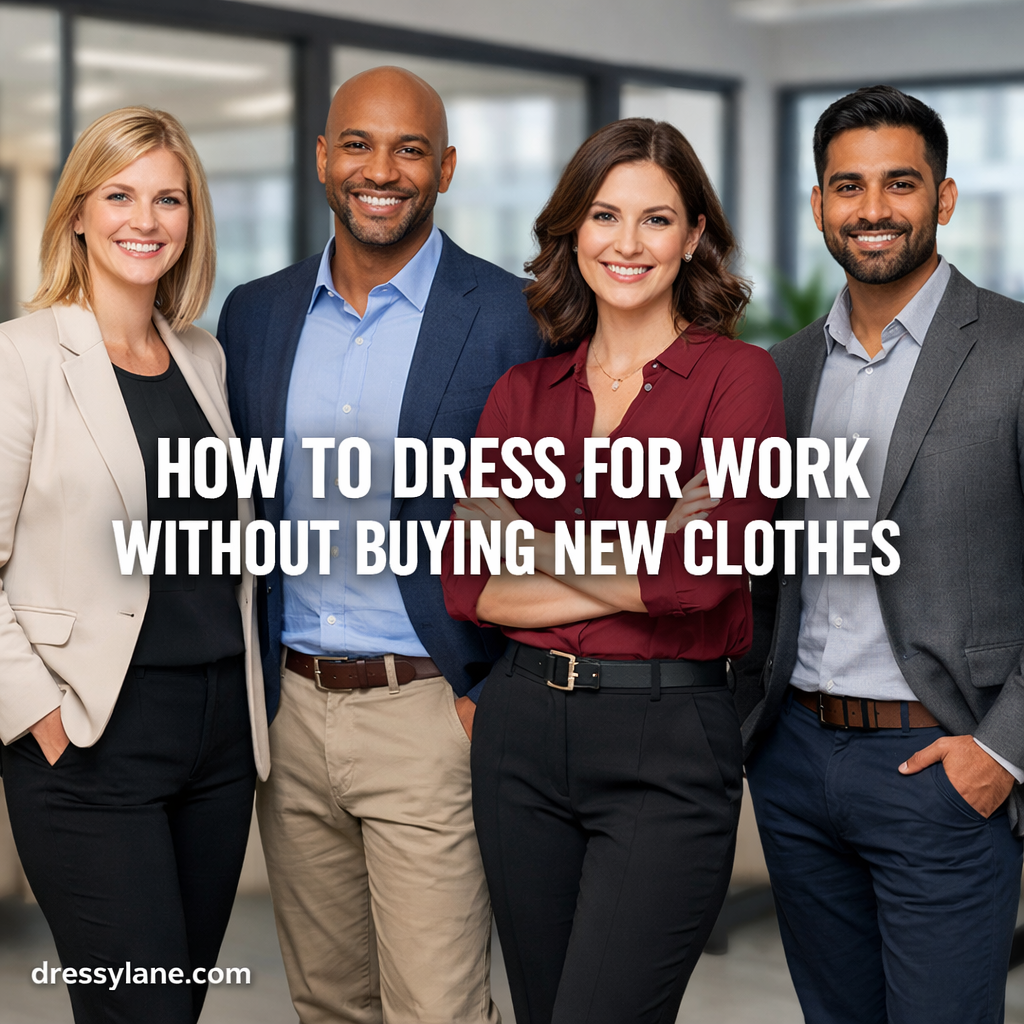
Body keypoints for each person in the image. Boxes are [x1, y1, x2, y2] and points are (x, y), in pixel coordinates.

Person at [441, 117, 785, 1024]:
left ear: (694, 235)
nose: (627, 244)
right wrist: (646, 545)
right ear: (572, 231)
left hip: (665, 738)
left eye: (657, 219)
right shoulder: (525, 392)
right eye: (604, 215)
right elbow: (471, 584)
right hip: (517, 733)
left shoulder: (739, 380)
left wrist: (538, 545)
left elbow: (703, 576)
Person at [217, 66, 541, 1024]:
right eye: (358, 143)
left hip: (431, 709)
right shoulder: (255, 314)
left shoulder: (514, 317)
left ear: (444, 168)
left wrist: (490, 696)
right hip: (289, 710)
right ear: (323, 158)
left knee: (437, 1008)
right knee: (327, 1002)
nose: (381, 170)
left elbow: (551, 519)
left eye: (409, 150)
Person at [736, 85, 1024, 1024]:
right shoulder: (778, 372)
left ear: (942, 198)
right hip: (796, 761)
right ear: (818, 205)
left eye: (899, 183)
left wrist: (1001, 752)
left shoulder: (1015, 351)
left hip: (940, 767)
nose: (872, 209)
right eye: (847, 187)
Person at [0, 106, 268, 1023]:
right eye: (118, 195)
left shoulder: (203, 358)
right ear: (76, 211)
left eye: (168, 198)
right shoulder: (22, 358)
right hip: (91, 732)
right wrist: (38, 715)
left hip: (217, 736)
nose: (144, 220)